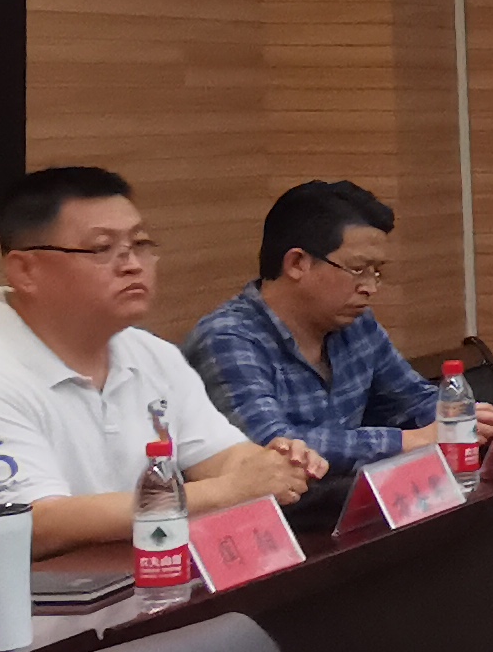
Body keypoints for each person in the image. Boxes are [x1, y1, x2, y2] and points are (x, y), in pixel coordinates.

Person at [0, 168, 318, 590]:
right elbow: (36, 524)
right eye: (103, 249)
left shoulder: (152, 354)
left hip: (113, 589)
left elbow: (220, 456)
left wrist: (269, 464)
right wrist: (227, 491)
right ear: (25, 270)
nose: (132, 264)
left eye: (140, 244)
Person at [185, 179, 441, 470]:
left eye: (377, 272)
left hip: (344, 493)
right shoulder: (227, 338)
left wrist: (463, 417)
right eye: (358, 269)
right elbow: (274, 446)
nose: (370, 288)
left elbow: (413, 400)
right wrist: (404, 441)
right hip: (279, 498)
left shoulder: (357, 324)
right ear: (297, 263)